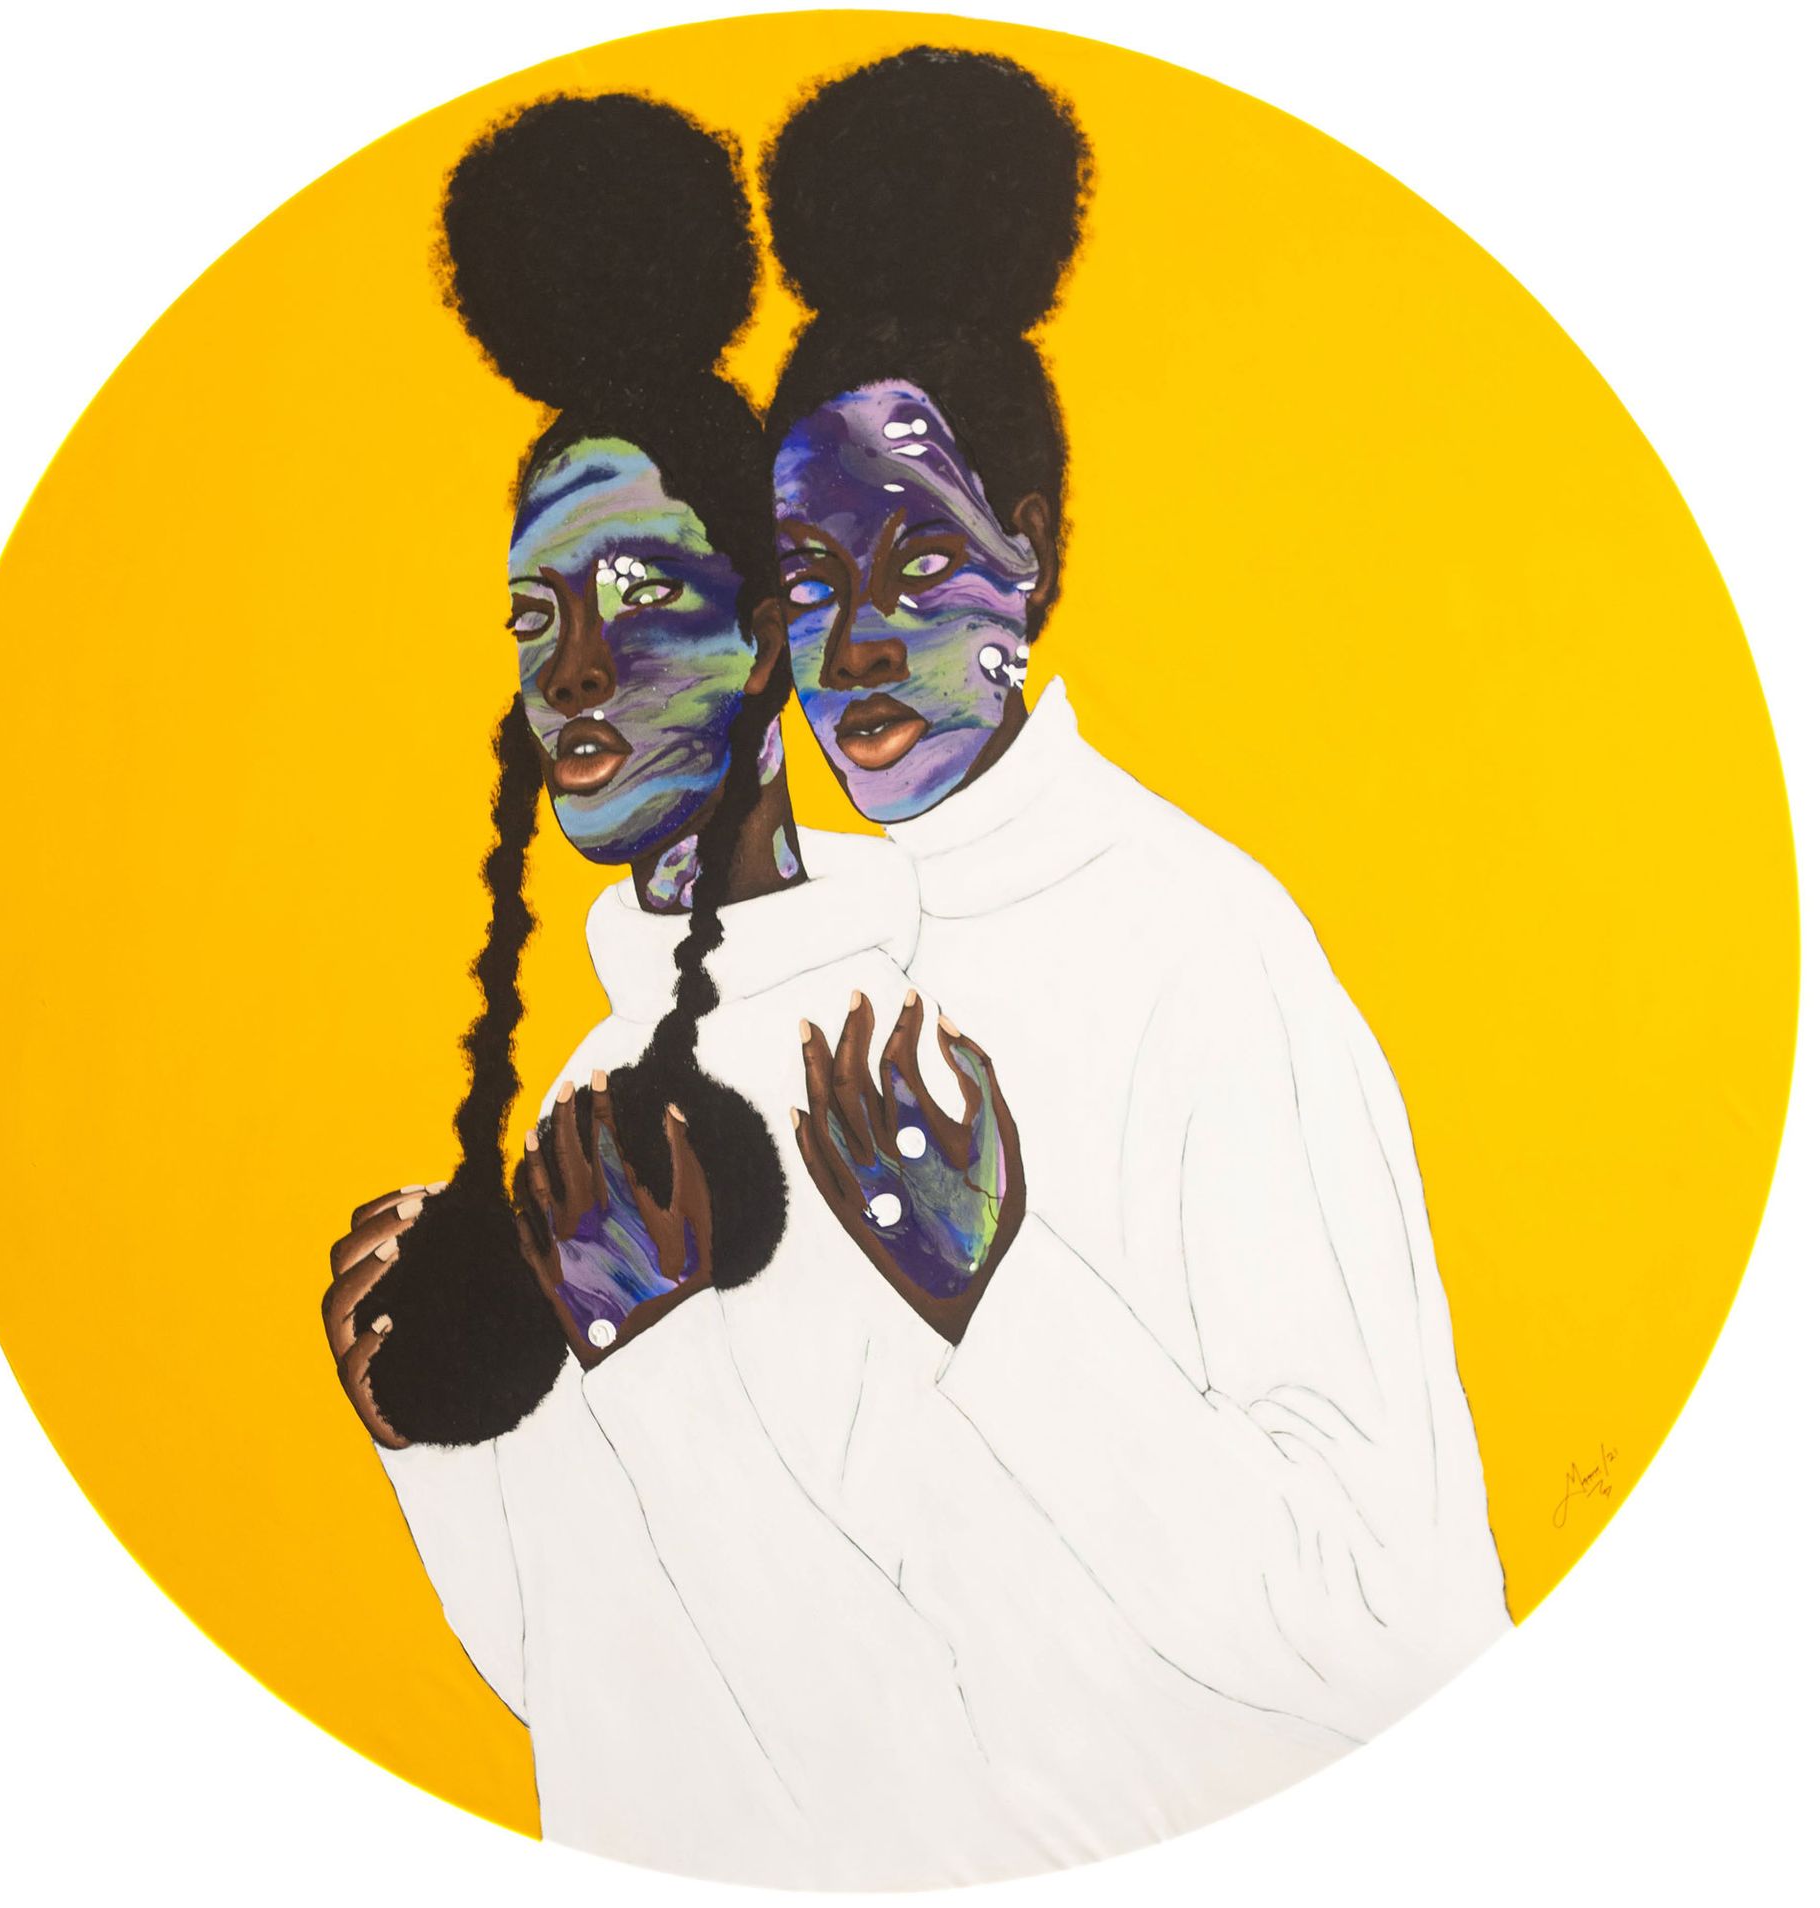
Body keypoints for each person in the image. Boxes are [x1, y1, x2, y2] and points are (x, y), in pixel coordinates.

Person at [324, 86, 1347, 1886]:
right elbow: (590, 1676)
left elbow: (951, 1704)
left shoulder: (900, 1057)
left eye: (643, 595)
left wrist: (665, 1351)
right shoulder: (596, 1078)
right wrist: (435, 1440)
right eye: (536, 618)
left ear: (761, 638)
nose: (576, 673)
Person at [766, 45, 1511, 1746]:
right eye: (807, 578)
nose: (857, 645)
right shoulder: (815, 969)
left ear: (1030, 553)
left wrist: (1001, 1295)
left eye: (922, 560)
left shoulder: (1198, 948)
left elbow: (1392, 1621)